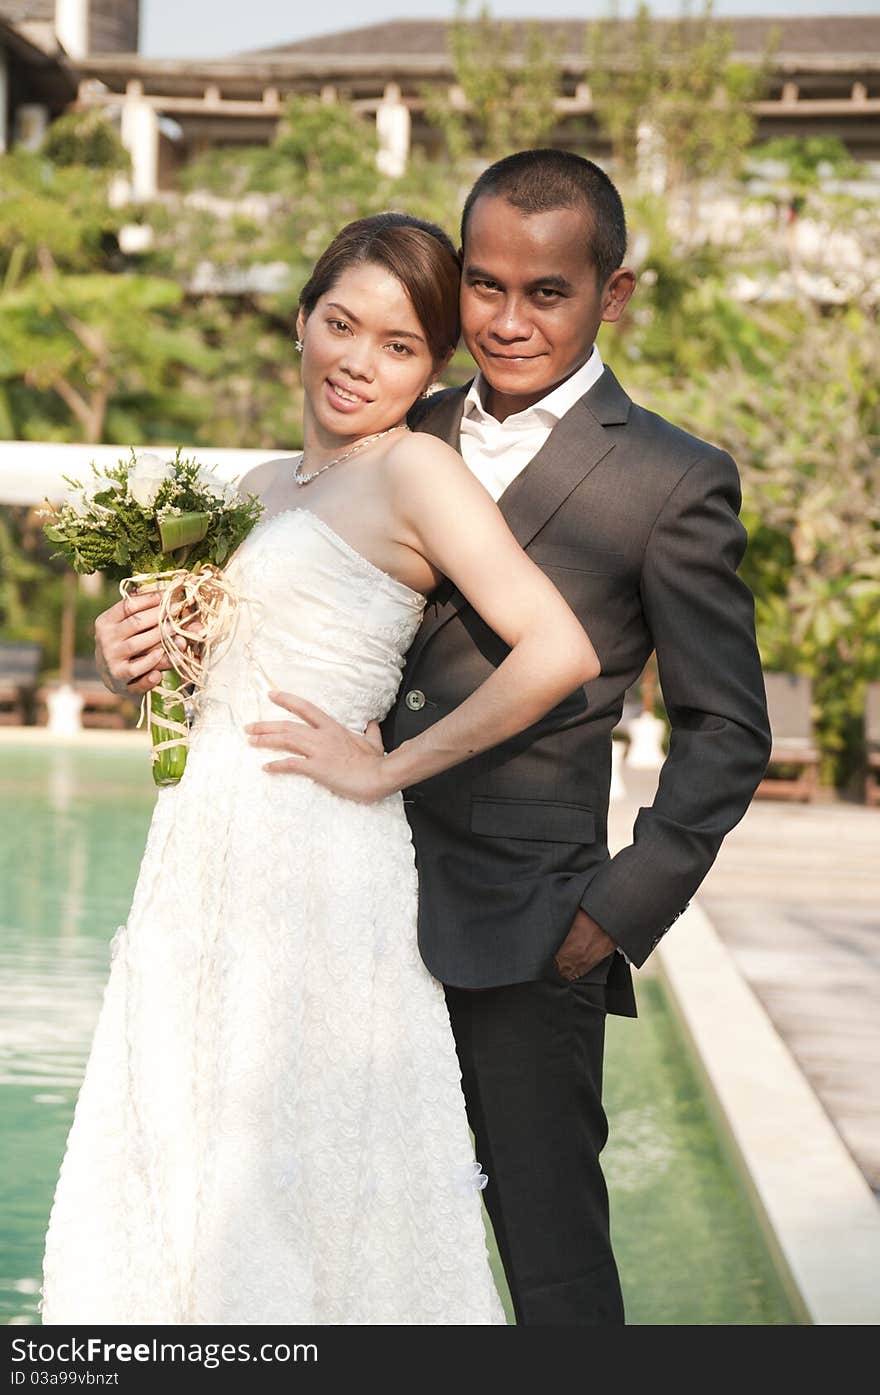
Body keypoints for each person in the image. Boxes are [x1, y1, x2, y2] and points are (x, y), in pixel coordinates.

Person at [90, 150, 772, 1328]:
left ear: (610, 296)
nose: (508, 319)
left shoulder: (671, 479)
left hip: (525, 920)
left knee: (549, 1265)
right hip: (330, 906)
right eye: (486, 287)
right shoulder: (393, 414)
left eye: (546, 292)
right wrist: (151, 646)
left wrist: (611, 917)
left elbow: (725, 728)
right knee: (324, 1239)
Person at [39, 211, 600, 1326]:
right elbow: (200, 690)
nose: (358, 360)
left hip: (316, 867)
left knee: (304, 1178)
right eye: (341, 324)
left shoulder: (418, 472)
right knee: (185, 1154)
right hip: (198, 865)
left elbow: (559, 650)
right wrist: (126, 666)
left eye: (397, 346)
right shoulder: (250, 489)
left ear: (429, 367)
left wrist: (389, 768)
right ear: (300, 323)